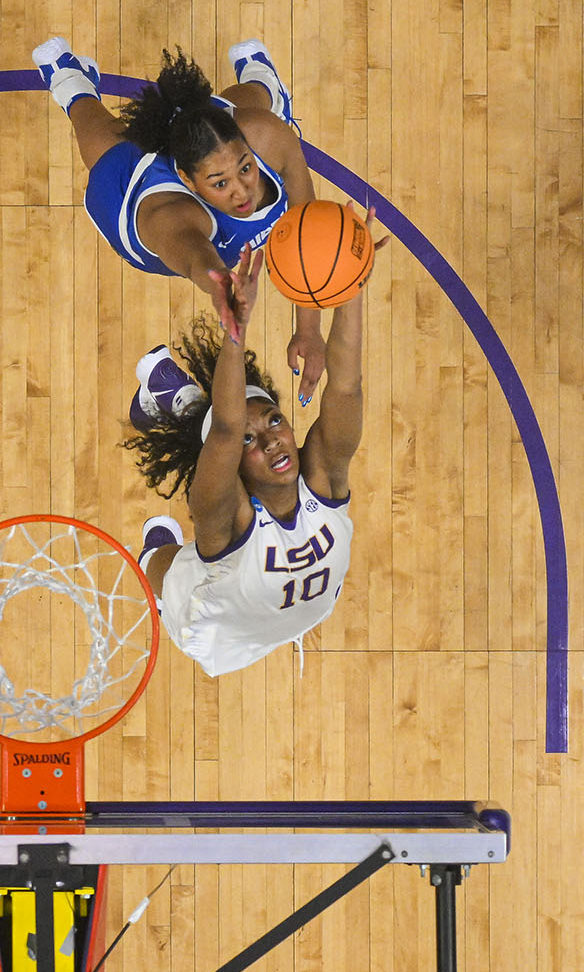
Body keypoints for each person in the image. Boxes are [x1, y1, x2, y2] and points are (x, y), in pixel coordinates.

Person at [122, 235, 382, 677]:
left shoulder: (323, 475)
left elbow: (345, 385)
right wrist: (233, 335)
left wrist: (349, 285)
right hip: (219, 630)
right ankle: (153, 550)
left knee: (220, 429)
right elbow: (225, 431)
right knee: (165, 567)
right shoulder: (226, 517)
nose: (271, 441)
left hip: (304, 609)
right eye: (250, 442)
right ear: (235, 471)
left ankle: (181, 405)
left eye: (276, 421)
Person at [33, 38, 334, 402]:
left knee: (248, 101)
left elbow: (306, 229)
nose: (242, 192)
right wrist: (223, 289)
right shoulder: (169, 217)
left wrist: (310, 329)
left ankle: (263, 77)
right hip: (128, 193)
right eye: (220, 183)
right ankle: (72, 83)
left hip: (221, 133)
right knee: (98, 134)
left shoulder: (266, 135)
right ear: (189, 180)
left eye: (246, 168)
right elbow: (197, 260)